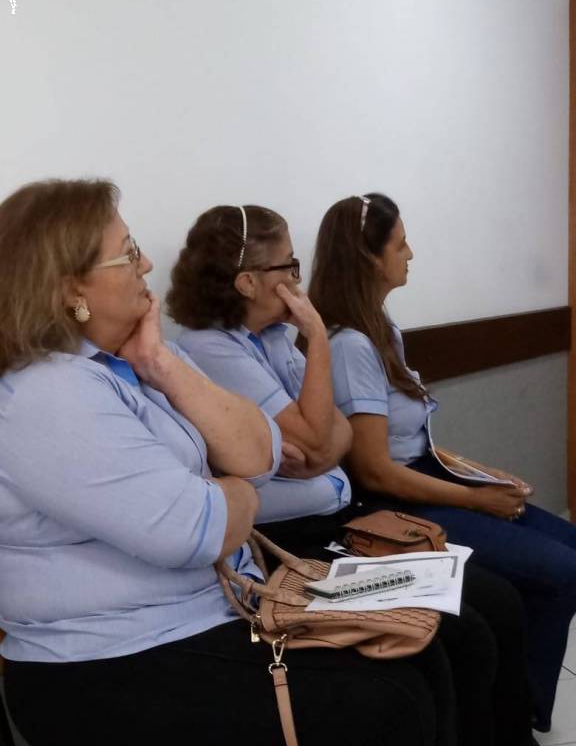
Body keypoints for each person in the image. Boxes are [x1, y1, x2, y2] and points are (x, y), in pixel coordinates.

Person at [0, 179, 460, 746]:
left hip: (212, 606)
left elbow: (260, 452)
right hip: (113, 658)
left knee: (424, 650)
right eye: (128, 252)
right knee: (392, 701)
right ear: (71, 286)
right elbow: (198, 529)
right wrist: (236, 490)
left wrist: (160, 363)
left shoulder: (134, 362)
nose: (146, 263)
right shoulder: (46, 394)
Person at [167, 203, 536, 746]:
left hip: (341, 522)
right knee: (460, 636)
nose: (298, 280)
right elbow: (321, 439)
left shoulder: (272, 338)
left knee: (495, 602)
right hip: (290, 544)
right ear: (247, 282)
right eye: (288, 266)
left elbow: (333, 438)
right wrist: (318, 338)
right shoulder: (210, 349)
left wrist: (316, 446)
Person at [306, 192, 576, 734]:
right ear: (369, 258)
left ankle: (517, 698)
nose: (411, 254)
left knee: (568, 545)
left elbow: (414, 437)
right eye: (400, 244)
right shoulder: (351, 346)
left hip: (423, 477)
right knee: (561, 570)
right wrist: (477, 500)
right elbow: (376, 470)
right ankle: (514, 711)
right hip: (391, 503)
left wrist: (481, 473)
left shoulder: (381, 330)